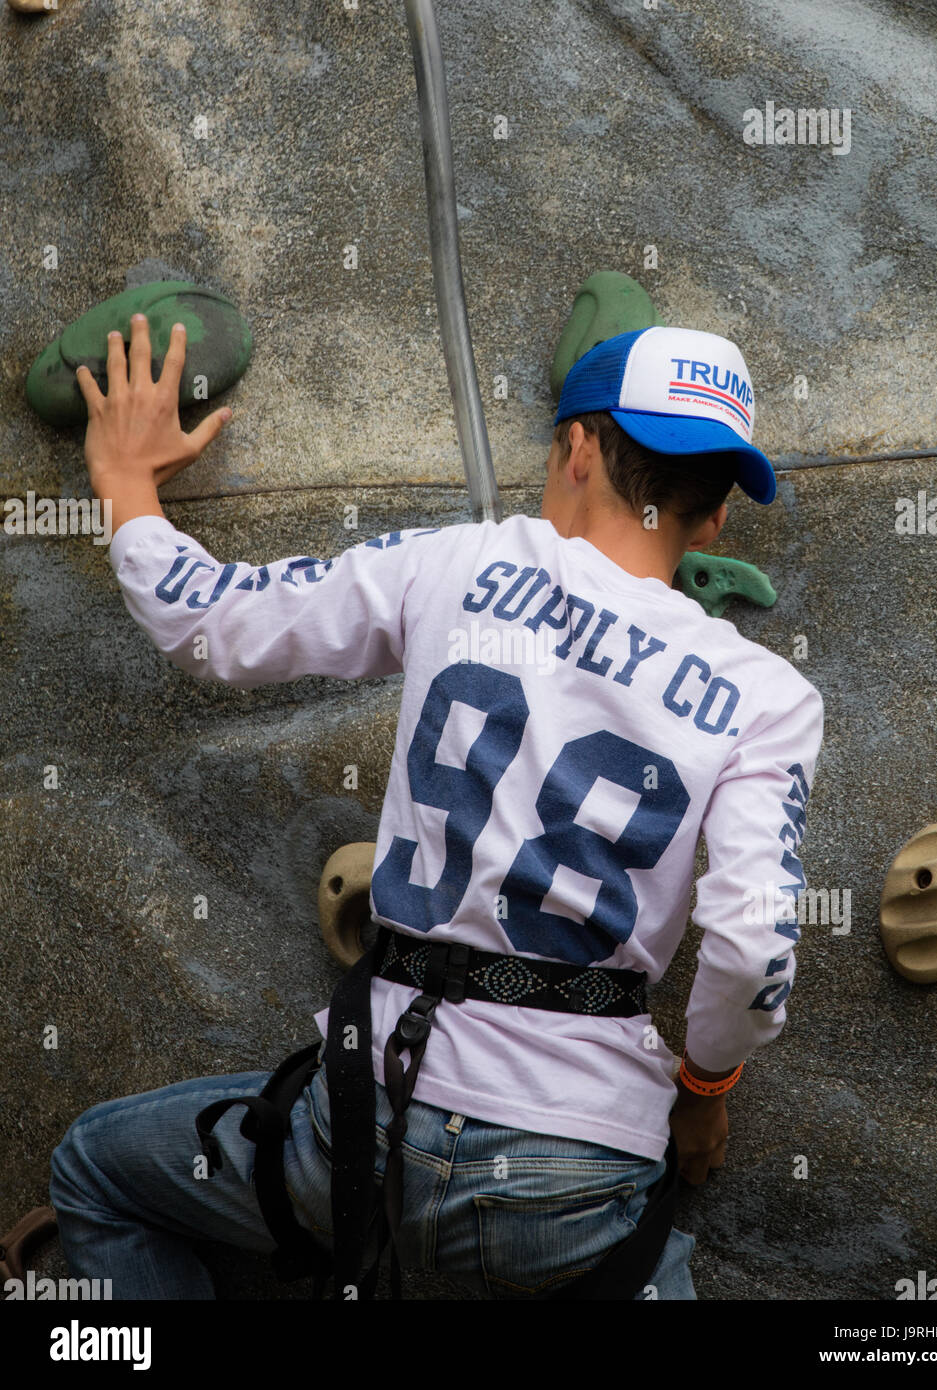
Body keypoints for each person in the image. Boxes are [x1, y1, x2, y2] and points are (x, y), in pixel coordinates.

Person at [49, 312, 824, 1300]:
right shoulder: (768, 697)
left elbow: (215, 623)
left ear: (574, 449)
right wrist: (705, 1092)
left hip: (366, 1132)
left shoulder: (451, 565)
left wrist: (123, 480)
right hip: (576, 1177)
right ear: (711, 517)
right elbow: (753, 946)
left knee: (97, 1171)